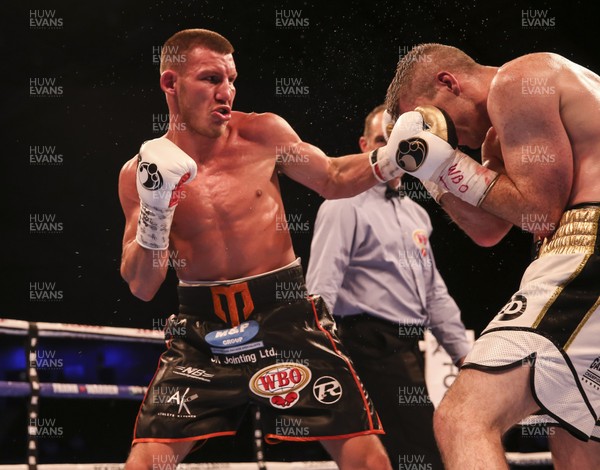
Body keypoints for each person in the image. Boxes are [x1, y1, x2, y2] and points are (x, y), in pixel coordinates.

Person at [118, 28, 396, 470]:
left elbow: (334, 177)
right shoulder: (140, 172)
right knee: (145, 464)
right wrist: (156, 210)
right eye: (210, 79)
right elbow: (142, 285)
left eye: (231, 79)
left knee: (367, 459)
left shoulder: (263, 133)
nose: (225, 92)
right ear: (170, 84)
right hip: (201, 329)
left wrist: (396, 157)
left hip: (284, 316)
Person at [383, 43, 600, 469]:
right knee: (578, 429)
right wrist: (430, 168)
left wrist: (440, 158)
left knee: (462, 417)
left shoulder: (519, 78)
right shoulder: (500, 135)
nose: (448, 137)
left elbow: (539, 212)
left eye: (434, 120)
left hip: (589, 241)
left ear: (449, 83)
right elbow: (489, 230)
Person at [305, 103, 471, 468]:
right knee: (421, 454)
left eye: (404, 143)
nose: (398, 151)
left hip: (407, 350)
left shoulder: (416, 214)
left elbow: (433, 294)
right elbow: (322, 284)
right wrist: (317, 353)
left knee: (407, 455)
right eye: (385, 141)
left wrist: (465, 356)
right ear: (366, 146)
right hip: (364, 344)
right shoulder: (343, 202)